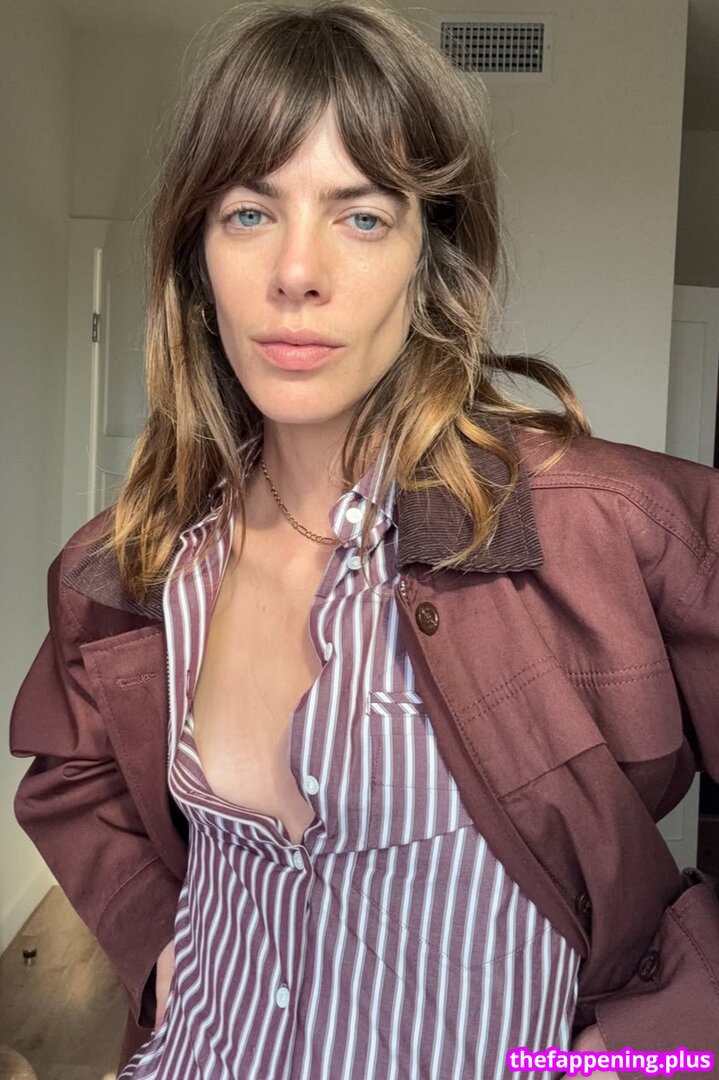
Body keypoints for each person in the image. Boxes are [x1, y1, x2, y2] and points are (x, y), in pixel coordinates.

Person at [9, 1, 719, 1077]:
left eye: (362, 217)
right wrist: (158, 946)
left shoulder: (607, 524)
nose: (297, 271)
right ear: (196, 257)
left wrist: (642, 1053)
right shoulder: (129, 567)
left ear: (431, 255)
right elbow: (73, 773)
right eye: (249, 212)